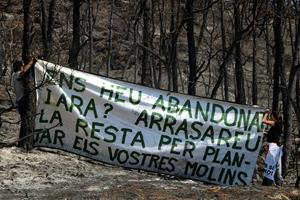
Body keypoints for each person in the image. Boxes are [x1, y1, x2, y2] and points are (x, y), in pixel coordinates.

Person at [11, 59, 36, 147]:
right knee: (26, 120)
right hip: (21, 100)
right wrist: (31, 62)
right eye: (21, 66)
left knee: (25, 120)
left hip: (19, 100)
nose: (22, 67)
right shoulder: (17, 74)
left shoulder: (14, 75)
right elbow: (24, 71)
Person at [261, 109, 284, 186]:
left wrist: (266, 114)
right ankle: (276, 181)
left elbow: (263, 121)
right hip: (275, 146)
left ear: (273, 116)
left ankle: (270, 181)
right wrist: (267, 134)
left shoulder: (275, 123)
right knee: (275, 164)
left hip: (272, 147)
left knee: (270, 164)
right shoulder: (279, 124)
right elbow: (274, 134)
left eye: (271, 116)